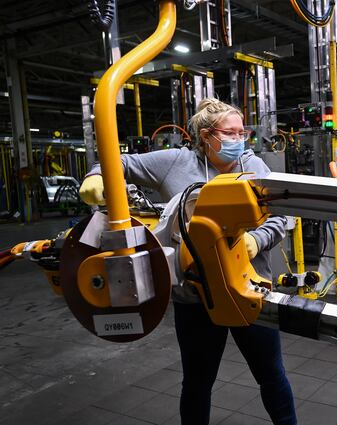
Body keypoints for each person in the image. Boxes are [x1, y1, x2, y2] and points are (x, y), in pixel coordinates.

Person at [80, 98, 297, 425]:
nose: (239, 139)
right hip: (194, 297)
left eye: (243, 132)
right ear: (207, 135)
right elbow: (118, 162)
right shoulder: (175, 163)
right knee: (197, 383)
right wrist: (97, 176)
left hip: (248, 289)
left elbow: (280, 216)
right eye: (230, 132)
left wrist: (256, 240)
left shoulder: (254, 168)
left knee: (271, 375)